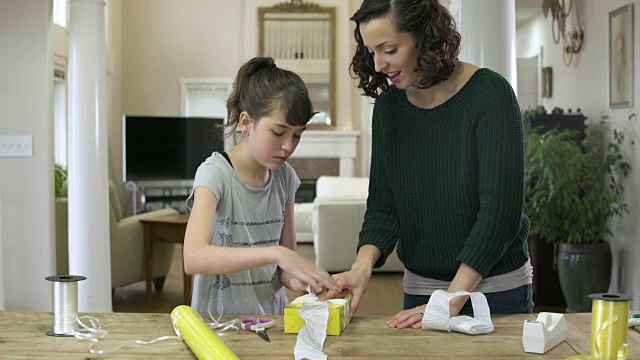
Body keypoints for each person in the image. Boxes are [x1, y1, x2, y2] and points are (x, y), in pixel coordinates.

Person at [322, 0, 533, 328]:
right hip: (420, 291)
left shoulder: (491, 96)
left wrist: (451, 299)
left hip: (493, 293)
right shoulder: (389, 109)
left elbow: (500, 216)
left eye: (389, 49)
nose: (378, 65)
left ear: (425, 37)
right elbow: (384, 207)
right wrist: (361, 269)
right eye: (371, 51)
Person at [183, 56, 339, 315]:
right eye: (279, 132)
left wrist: (304, 281)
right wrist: (276, 254)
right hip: (218, 326)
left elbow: (283, 269)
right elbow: (194, 257)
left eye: (297, 135)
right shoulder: (214, 175)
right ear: (246, 123)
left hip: (271, 323)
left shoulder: (285, 178)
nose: (288, 145)